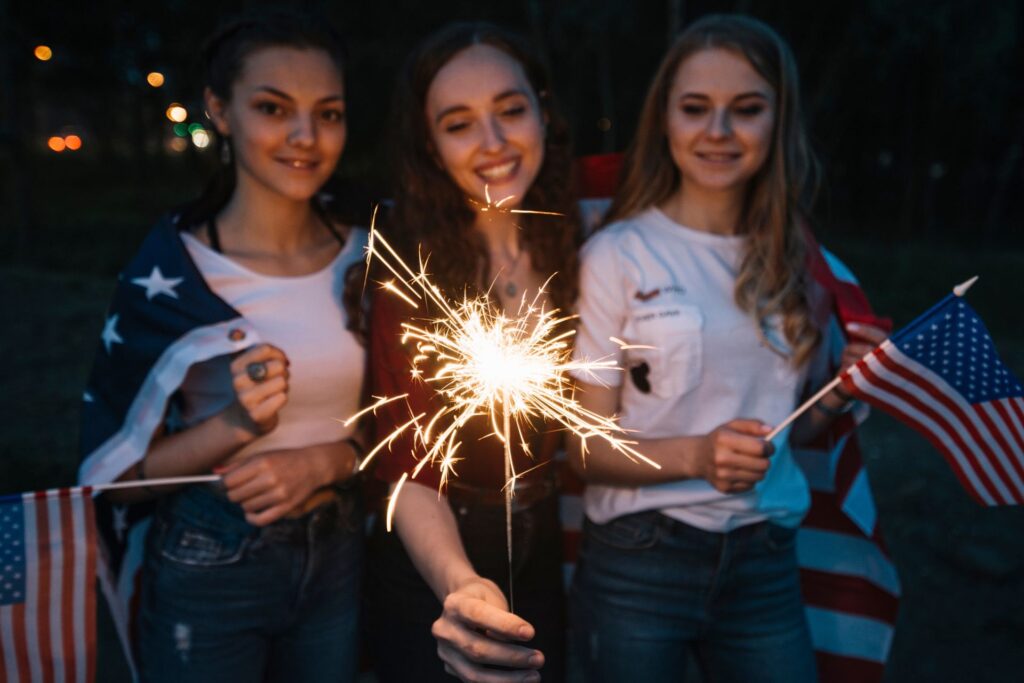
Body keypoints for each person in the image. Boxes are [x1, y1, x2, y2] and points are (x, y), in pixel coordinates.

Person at [567, 14, 888, 683]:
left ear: (778, 121)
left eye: (746, 109)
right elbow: (585, 448)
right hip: (639, 559)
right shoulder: (617, 254)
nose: (718, 132)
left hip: (764, 560)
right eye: (695, 109)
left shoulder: (796, 261)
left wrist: (846, 389)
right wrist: (697, 455)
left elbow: (788, 430)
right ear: (665, 120)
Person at [77, 9, 368, 682]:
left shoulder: (368, 256)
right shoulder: (174, 277)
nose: (305, 136)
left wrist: (332, 457)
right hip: (210, 557)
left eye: (328, 113)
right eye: (273, 107)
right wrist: (237, 424)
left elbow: (407, 418)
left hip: (339, 554)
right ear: (220, 110)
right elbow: (114, 481)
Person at [362, 22, 580, 683]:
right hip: (436, 559)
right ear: (429, 145)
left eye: (511, 111)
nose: (494, 144)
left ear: (543, 108)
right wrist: (460, 584)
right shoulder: (406, 271)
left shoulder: (577, 229)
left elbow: (715, 178)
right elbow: (408, 467)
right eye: (459, 124)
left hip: (544, 545)